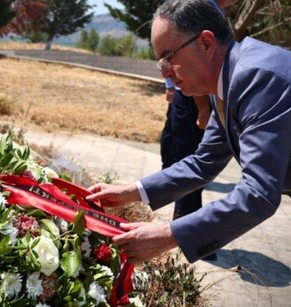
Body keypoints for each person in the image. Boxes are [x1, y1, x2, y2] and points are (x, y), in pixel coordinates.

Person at [87, 0, 291, 265]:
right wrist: (129, 192)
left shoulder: (256, 78)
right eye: (160, 63)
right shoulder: (226, 80)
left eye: (169, 58)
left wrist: (167, 235)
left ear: (206, 42)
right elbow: (203, 163)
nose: (166, 73)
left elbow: (259, 194)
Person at [160, 78, 210, 220]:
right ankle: (185, 217)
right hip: (190, 97)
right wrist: (204, 109)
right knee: (185, 159)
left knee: (183, 157)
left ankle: (185, 216)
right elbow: (193, 77)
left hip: (188, 96)